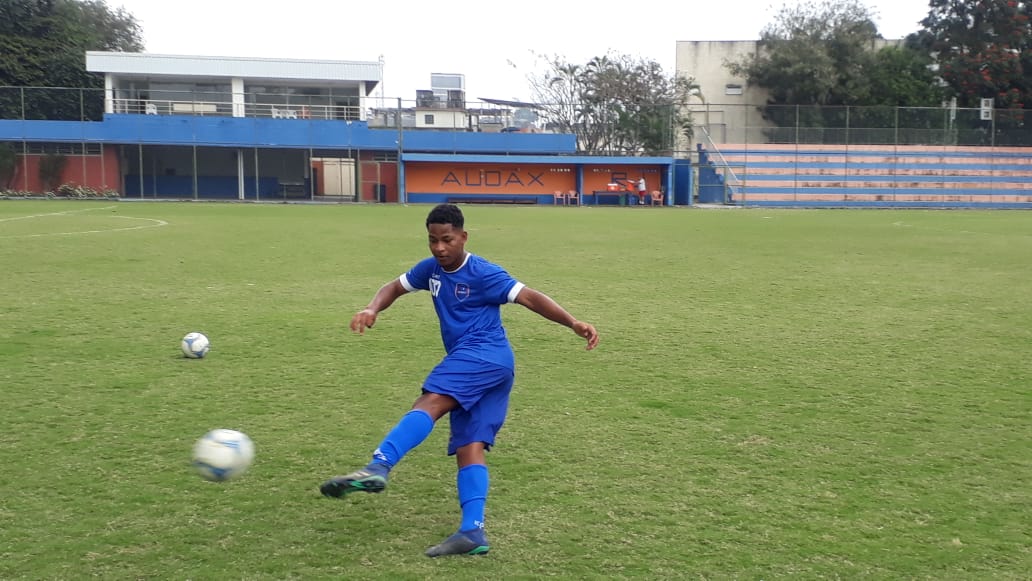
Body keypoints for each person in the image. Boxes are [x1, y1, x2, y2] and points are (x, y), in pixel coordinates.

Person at [320, 203, 599, 558]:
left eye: (447, 240)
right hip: (495, 369)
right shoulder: (431, 270)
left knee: (429, 402)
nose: (439, 248)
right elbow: (394, 286)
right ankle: (472, 532)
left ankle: (379, 465)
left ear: (463, 237)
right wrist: (372, 308)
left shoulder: (484, 273)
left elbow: (529, 296)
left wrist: (572, 322)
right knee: (470, 445)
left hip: (483, 355)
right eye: (433, 240)